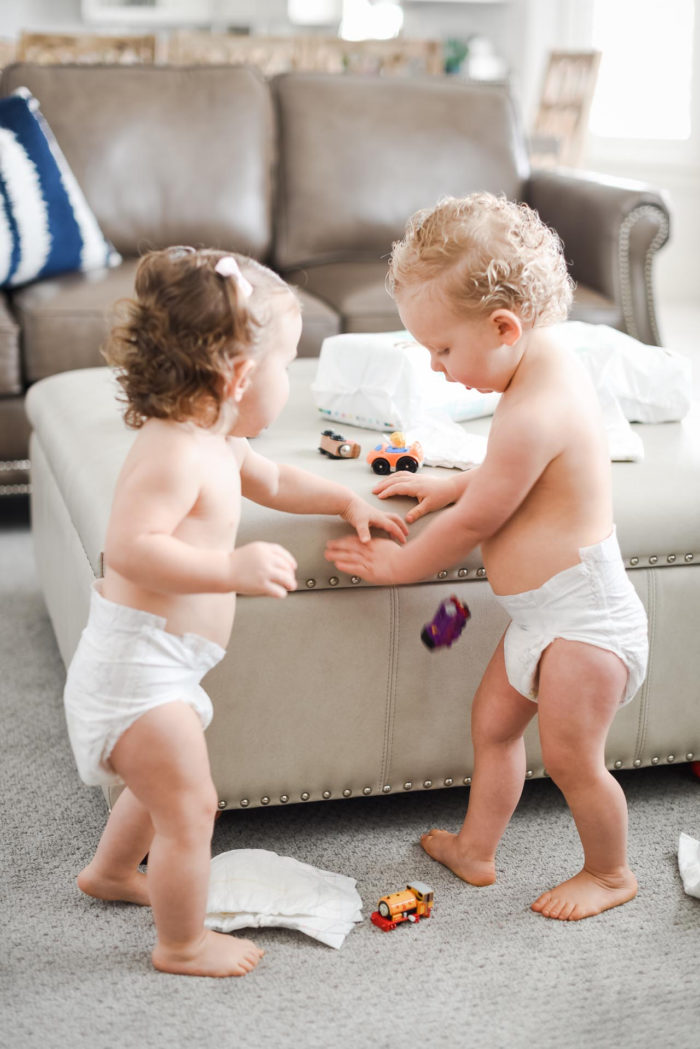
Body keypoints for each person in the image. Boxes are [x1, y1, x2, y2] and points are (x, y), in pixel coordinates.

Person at [64, 246, 407, 978]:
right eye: (288, 363)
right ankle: (181, 942)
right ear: (238, 376)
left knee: (160, 791)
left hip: (166, 666)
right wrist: (229, 567)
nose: (291, 378)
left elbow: (277, 478)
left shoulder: (219, 439)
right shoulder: (172, 453)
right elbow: (129, 547)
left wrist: (345, 497)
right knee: (193, 808)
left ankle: (109, 872)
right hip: (135, 669)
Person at [325, 193, 649, 922]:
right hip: (543, 614)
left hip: (585, 623)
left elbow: (484, 514)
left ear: (504, 327)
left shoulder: (534, 405)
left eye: (442, 349)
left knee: (570, 761)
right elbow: (516, 476)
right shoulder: (540, 370)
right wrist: (450, 480)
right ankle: (476, 847)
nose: (436, 368)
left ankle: (610, 870)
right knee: (494, 725)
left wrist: (400, 568)